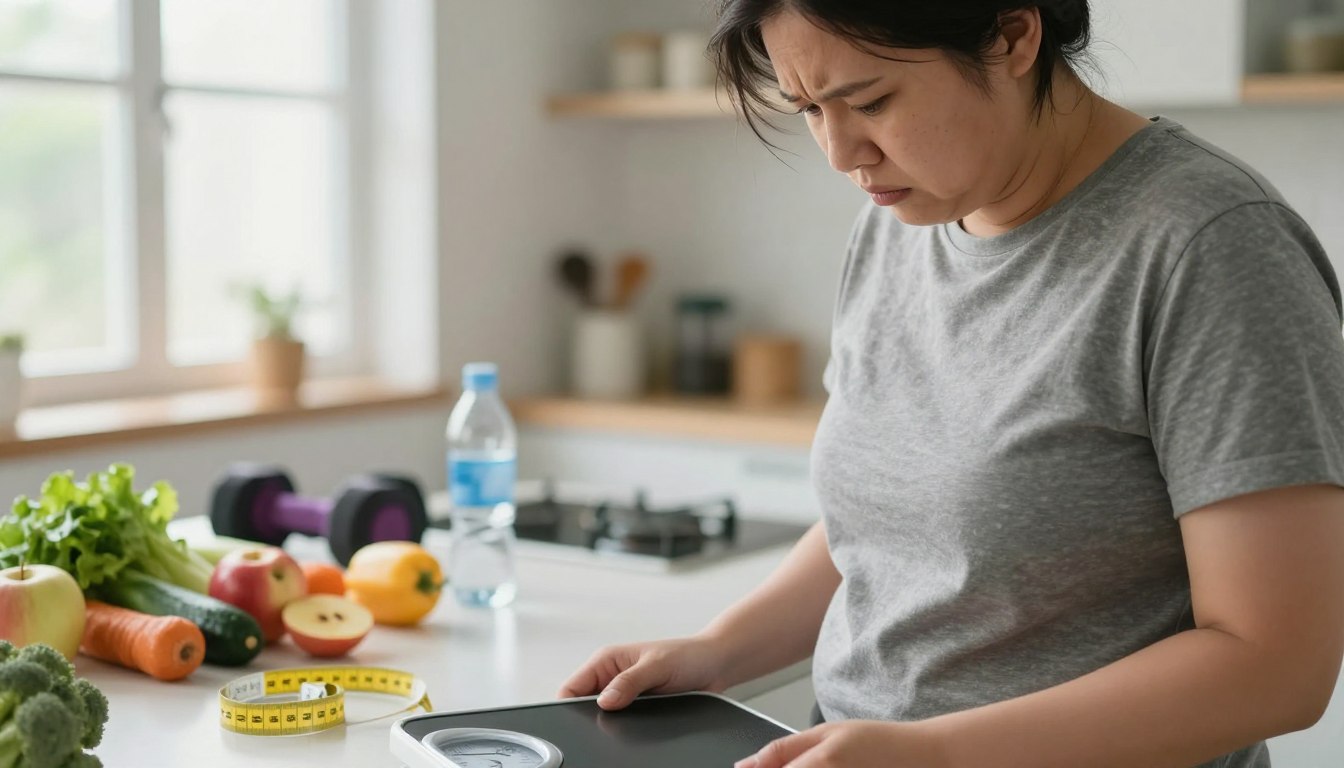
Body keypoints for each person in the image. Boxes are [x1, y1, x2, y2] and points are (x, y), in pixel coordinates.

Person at [558, 2, 1344, 766]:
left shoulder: (1209, 248)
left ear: (1012, 34)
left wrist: (934, 752)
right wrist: (718, 651)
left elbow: (1275, 665)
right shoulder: (899, 224)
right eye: (806, 108)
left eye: (869, 100)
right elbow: (882, 524)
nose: (839, 153)